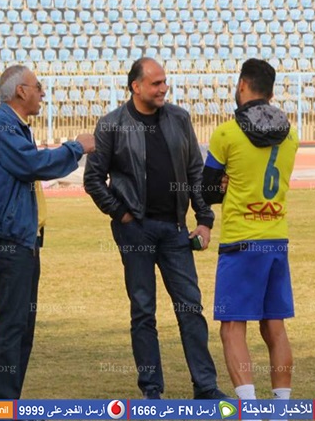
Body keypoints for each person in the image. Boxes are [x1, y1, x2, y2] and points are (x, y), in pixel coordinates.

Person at [84, 57, 226, 400]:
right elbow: (93, 179)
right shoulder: (112, 125)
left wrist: (204, 219)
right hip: (135, 232)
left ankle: (206, 387)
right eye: (156, 83)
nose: (164, 88)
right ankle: (151, 390)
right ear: (136, 87)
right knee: (143, 311)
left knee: (191, 309)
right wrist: (122, 214)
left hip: (176, 231)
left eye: (164, 82)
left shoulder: (180, 119)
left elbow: (195, 172)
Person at [0, 65, 95, 400]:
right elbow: (33, 165)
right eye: (38, 86)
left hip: (23, 239)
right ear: (20, 91)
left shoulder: (14, 126)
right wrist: (76, 147)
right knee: (12, 326)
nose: (42, 93)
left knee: (21, 327)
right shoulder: (1, 125)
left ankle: (7, 402)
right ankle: (0, 406)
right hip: (10, 239)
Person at [200, 59, 298, 403]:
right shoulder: (291, 134)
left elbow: (207, 191)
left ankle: (249, 406)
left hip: (241, 241)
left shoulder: (226, 133)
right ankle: (282, 406)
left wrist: (225, 183)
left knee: (232, 327)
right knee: (274, 326)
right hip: (276, 237)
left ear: (242, 84)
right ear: (271, 92)